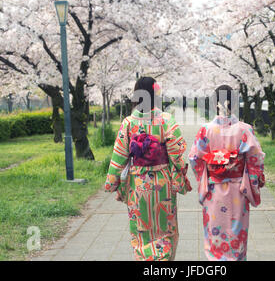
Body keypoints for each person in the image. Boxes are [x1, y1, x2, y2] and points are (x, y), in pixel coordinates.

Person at [105, 76, 191, 261]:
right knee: (166, 230)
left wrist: (113, 182)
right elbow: (176, 154)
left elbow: (119, 157)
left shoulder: (128, 123)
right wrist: (181, 173)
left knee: (141, 232)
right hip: (163, 183)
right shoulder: (167, 120)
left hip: (138, 185)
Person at [188, 85, 265, 261]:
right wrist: (253, 180)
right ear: (235, 103)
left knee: (214, 236)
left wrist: (205, 178)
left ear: (214, 103)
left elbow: (194, 159)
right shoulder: (244, 129)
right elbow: (256, 160)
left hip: (214, 190)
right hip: (239, 189)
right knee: (237, 236)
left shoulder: (205, 130)